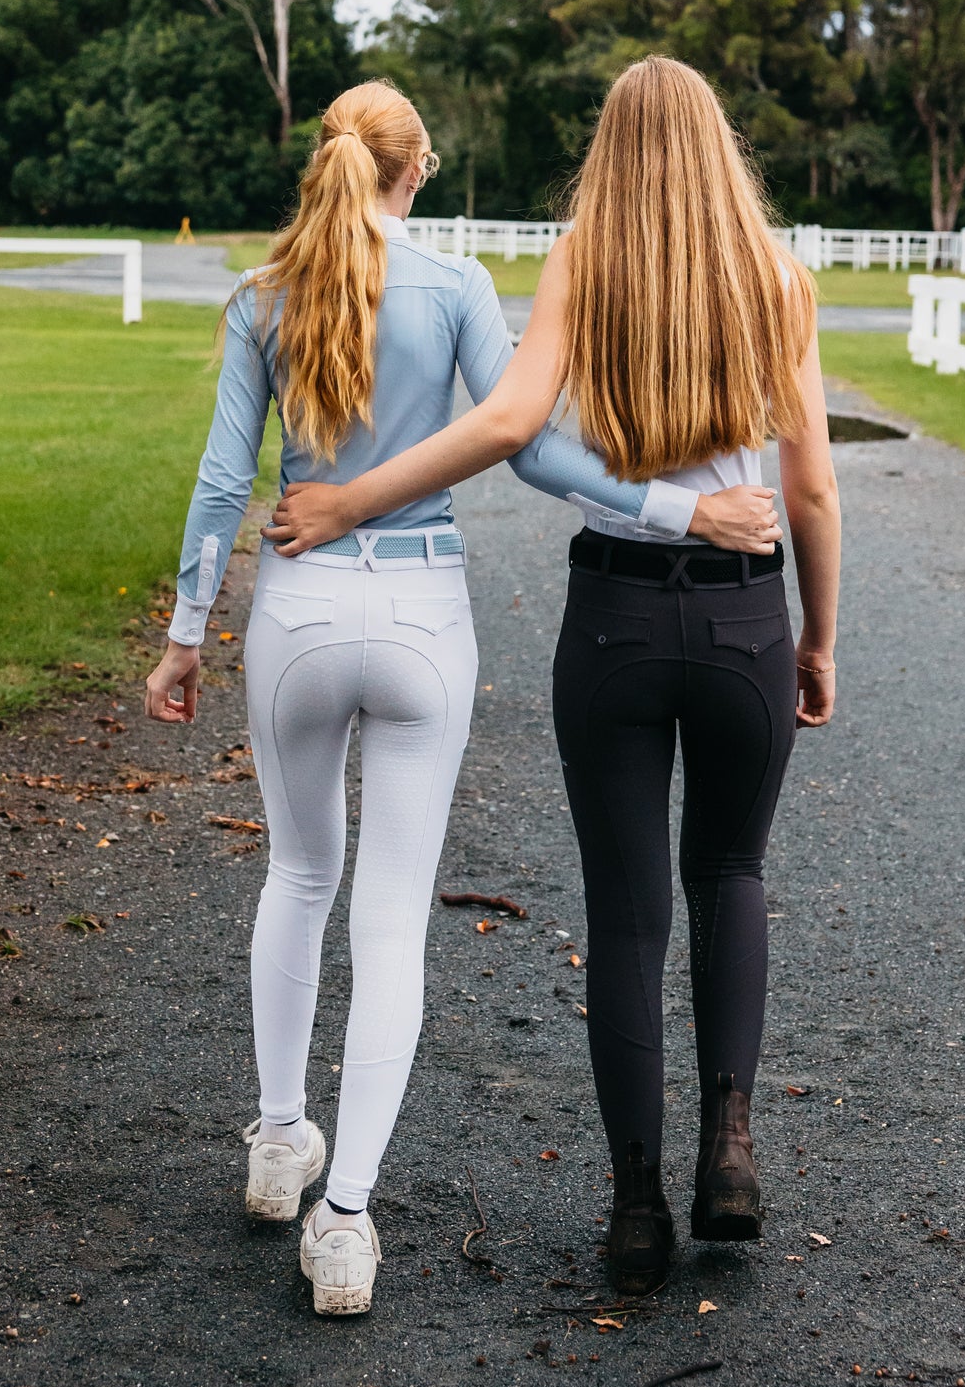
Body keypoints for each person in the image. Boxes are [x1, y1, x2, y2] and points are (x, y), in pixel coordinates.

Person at [142, 80, 777, 1317]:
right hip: (422, 611)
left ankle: (279, 1138)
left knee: (296, 875)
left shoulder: (261, 297)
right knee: (389, 917)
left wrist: (180, 636)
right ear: (414, 165)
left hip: (299, 608)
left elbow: (225, 480)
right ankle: (346, 1220)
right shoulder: (457, 289)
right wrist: (680, 506)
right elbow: (531, 445)